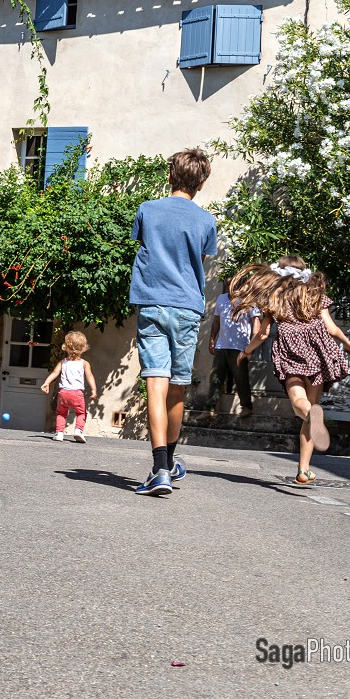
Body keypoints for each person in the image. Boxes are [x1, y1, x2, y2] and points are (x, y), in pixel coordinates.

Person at [129, 149, 217, 496]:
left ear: (170, 176)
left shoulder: (148, 210)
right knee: (178, 386)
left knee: (156, 385)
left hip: (152, 302)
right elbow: (200, 259)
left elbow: (144, 243)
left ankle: (160, 469)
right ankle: (169, 463)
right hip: (186, 308)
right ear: (202, 182)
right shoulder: (206, 220)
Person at [232, 256, 350, 485]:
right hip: (317, 353)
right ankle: (303, 469)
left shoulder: (275, 298)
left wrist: (247, 351)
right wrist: (348, 343)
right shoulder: (314, 295)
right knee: (310, 411)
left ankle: (310, 416)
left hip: (290, 351)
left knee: (299, 401)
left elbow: (263, 333)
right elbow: (331, 328)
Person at [208, 277, 262, 417]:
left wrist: (252, 346)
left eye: (231, 283)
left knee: (240, 377)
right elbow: (216, 320)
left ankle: (246, 407)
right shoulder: (221, 299)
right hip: (222, 345)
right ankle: (210, 409)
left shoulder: (249, 300)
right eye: (227, 284)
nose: (229, 286)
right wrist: (212, 339)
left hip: (240, 347)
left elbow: (256, 323)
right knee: (216, 377)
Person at [40, 330, 98, 442]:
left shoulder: (63, 362)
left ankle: (59, 433)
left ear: (66, 347)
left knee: (61, 413)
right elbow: (89, 376)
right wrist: (94, 390)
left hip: (63, 393)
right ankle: (78, 431)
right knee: (81, 413)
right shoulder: (84, 363)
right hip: (77, 393)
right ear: (83, 347)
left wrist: (46, 383)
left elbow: (54, 373)